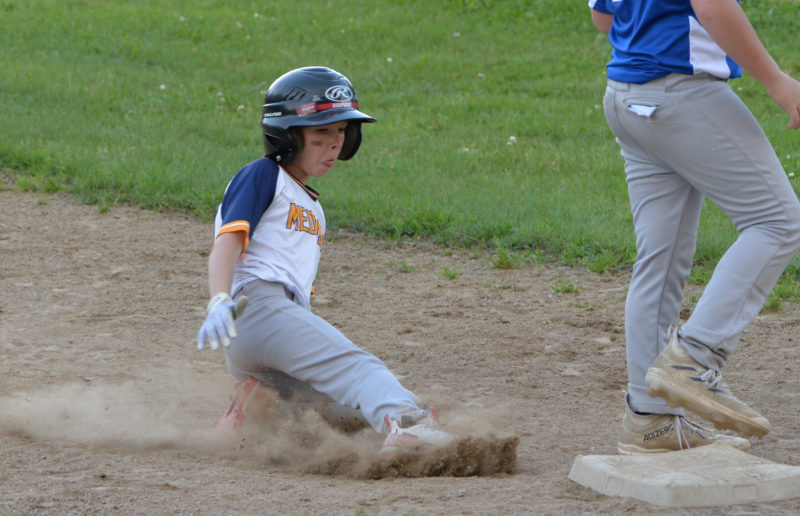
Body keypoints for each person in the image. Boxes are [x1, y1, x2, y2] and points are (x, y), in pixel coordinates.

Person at [196, 66, 454, 455]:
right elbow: (227, 244)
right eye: (320, 134)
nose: (334, 144)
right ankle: (407, 423)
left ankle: (252, 406)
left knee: (340, 413)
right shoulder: (263, 175)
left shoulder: (311, 207)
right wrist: (218, 298)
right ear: (286, 135)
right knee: (359, 368)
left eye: (340, 133)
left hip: (266, 332)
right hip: (256, 308)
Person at [588, 0, 800, 454]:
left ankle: (651, 421)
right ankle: (695, 357)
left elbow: (604, 17)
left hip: (626, 94)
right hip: (682, 95)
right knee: (778, 220)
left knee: (659, 259)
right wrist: (778, 83)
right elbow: (713, 7)